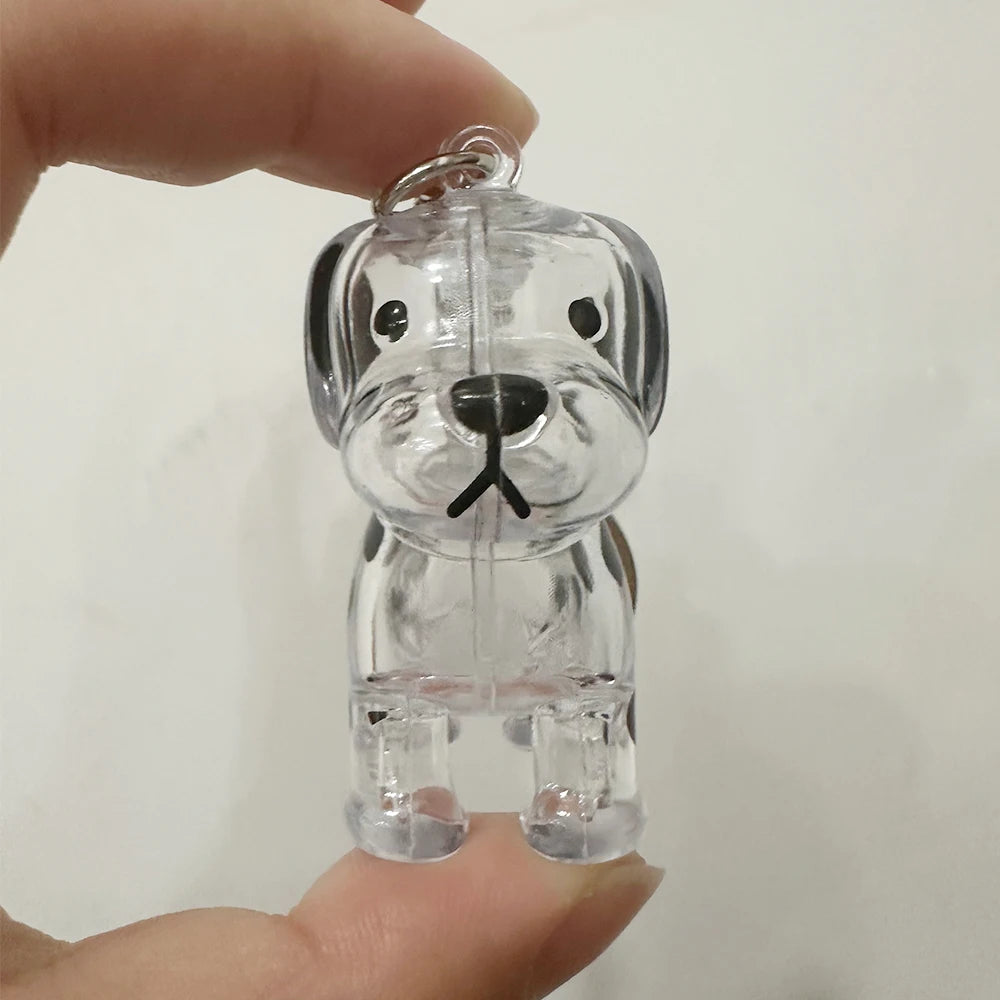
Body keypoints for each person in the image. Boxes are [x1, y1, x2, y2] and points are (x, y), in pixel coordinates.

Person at [0, 0, 663, 995]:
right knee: (396, 700)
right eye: (392, 324)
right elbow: (376, 671)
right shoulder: (392, 550)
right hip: (422, 626)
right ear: (337, 359)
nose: (492, 388)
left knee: (585, 698)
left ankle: (579, 794)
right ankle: (405, 802)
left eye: (581, 321)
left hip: (554, 611)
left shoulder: (584, 550)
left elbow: (609, 663)